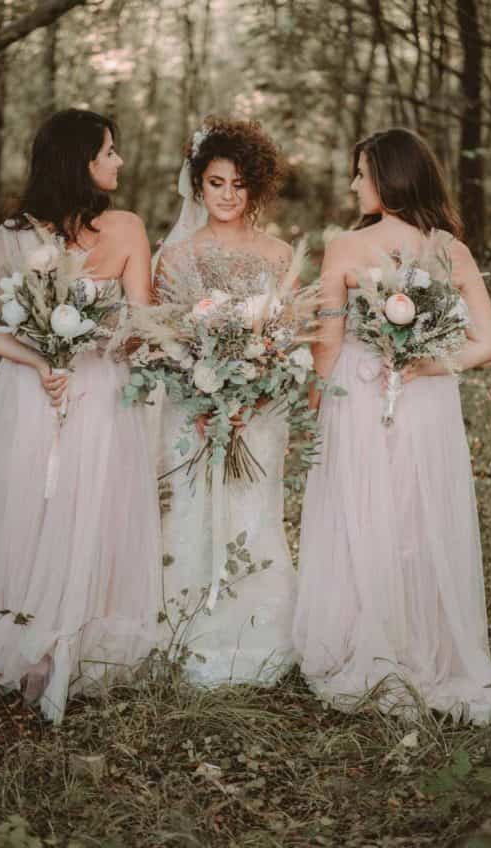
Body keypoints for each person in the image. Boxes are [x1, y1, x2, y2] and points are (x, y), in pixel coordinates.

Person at [0, 108, 161, 723]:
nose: (119, 161)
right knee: (32, 502)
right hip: (35, 393)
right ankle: (25, 624)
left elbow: (139, 324)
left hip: (94, 394)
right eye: (110, 151)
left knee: (90, 502)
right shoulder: (12, 235)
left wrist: (93, 343)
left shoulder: (128, 228)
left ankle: (73, 629)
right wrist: (41, 360)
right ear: (81, 162)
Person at [293, 127, 491, 724]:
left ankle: (369, 639)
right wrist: (430, 363)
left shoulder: (343, 247)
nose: (354, 184)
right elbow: (487, 345)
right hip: (426, 398)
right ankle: (424, 642)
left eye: (361, 173)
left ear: (389, 177)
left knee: (359, 512)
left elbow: (327, 346)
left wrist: (315, 410)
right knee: (420, 513)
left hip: (360, 394)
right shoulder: (449, 249)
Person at [154, 117, 297, 687]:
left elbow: (287, 340)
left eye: (240, 185)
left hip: (256, 410)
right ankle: (186, 624)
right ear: (198, 183)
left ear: (256, 187)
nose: (228, 196)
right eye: (216, 183)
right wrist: (202, 382)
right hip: (192, 405)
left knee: (253, 503)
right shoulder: (176, 257)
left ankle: (255, 628)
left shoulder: (280, 255)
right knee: (190, 503)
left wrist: (250, 385)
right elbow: (161, 337)